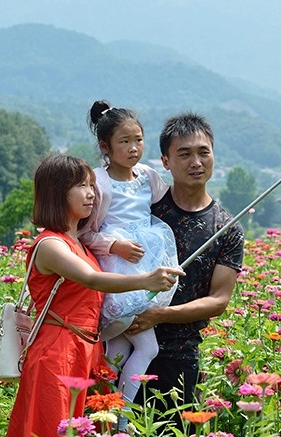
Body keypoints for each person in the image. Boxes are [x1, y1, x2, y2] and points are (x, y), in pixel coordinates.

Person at [1, 154, 183, 437]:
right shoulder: (50, 244)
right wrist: (146, 280)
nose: (91, 193)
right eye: (81, 186)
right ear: (57, 193)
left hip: (87, 350)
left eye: (91, 185)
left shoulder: (81, 243)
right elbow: (92, 279)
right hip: (58, 351)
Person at [126, 112, 244, 437]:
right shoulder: (146, 210)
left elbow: (219, 300)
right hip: (121, 342)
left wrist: (160, 315)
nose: (196, 162)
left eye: (203, 152)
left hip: (179, 356)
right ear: (165, 161)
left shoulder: (226, 229)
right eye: (184, 154)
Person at [80, 100, 178, 407]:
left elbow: (167, 200)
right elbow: (85, 233)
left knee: (119, 350)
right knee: (147, 348)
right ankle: (120, 414)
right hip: (117, 270)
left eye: (138, 139)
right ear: (105, 147)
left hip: (144, 263)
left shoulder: (147, 175)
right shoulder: (100, 181)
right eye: (124, 141)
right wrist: (114, 246)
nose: (134, 148)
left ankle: (101, 411)